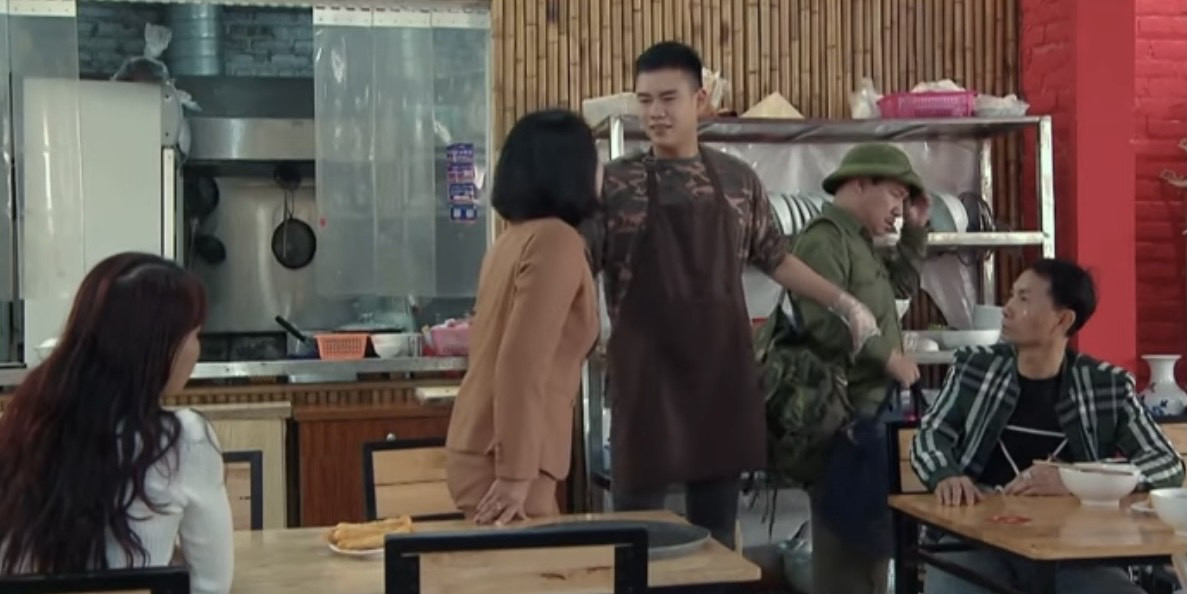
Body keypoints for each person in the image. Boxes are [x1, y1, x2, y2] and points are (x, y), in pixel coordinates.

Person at [581, 40, 880, 549]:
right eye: (645, 100)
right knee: (634, 535)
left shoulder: (737, 181)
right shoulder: (614, 184)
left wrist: (845, 303)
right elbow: (578, 265)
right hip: (645, 382)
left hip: (720, 378)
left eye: (668, 98)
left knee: (716, 534)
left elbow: (777, 258)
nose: (655, 113)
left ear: (700, 100)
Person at [910, 259, 1183, 594]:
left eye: (1023, 298)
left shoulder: (1106, 386)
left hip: (1074, 549)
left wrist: (1078, 479)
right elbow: (930, 435)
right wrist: (946, 474)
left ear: (1063, 319)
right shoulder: (975, 369)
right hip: (976, 543)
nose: (1007, 308)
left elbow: (1166, 463)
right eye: (1012, 295)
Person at [0, 253, 232, 594]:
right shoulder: (185, 440)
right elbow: (210, 585)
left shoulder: (23, 427)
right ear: (158, 348)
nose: (197, 349)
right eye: (195, 334)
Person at [445, 109, 601, 525]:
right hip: (508, 460)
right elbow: (521, 362)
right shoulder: (556, 240)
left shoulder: (511, 240)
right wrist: (515, 473)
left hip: (491, 448)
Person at [791, 143, 928, 594]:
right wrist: (889, 358)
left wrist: (915, 233)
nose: (898, 209)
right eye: (894, 195)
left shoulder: (859, 242)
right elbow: (823, 320)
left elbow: (898, 289)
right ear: (860, 183)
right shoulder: (824, 240)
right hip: (843, 421)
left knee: (871, 553)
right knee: (846, 560)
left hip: (872, 415)